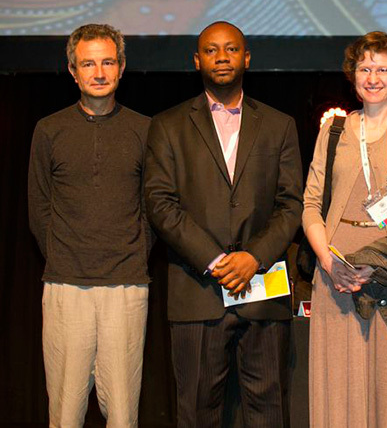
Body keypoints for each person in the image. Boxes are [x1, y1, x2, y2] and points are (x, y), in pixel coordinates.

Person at [145, 21, 303, 427]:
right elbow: (160, 204)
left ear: (246, 58)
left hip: (263, 286)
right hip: (197, 290)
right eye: (212, 50)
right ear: (197, 60)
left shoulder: (278, 124)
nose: (221, 57)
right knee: (195, 412)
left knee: (269, 411)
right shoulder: (167, 125)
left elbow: (291, 205)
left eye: (230, 49)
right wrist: (216, 260)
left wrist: (254, 257)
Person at [302, 31, 387, 428]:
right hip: (338, 277)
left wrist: (386, 263)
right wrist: (328, 262)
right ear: (353, 75)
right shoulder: (335, 130)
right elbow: (310, 204)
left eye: (383, 69)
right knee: (339, 387)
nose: (373, 77)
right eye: (365, 68)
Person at [28, 24, 151, 427]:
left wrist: (129, 252)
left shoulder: (147, 130)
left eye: (107, 62)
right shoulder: (48, 130)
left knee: (122, 414)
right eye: (88, 63)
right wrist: (68, 255)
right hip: (66, 286)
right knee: (64, 412)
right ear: (72, 71)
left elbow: (153, 209)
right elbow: (39, 208)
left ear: (121, 68)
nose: (99, 72)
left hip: (127, 286)